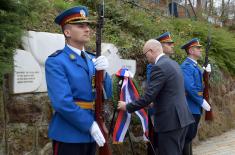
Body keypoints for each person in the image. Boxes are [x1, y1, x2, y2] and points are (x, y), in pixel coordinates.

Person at [45, 6, 112, 155]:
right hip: (70, 134)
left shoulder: (91, 59)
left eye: (87, 25)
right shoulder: (57, 61)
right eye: (80, 26)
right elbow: (62, 102)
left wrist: (105, 73)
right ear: (67, 32)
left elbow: (106, 93)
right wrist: (89, 125)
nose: (87, 29)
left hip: (92, 133)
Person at [118, 39, 194, 155]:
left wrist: (127, 106)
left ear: (151, 51)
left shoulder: (159, 67)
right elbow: (170, 92)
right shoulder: (173, 63)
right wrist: (155, 102)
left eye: (145, 54)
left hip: (170, 122)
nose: (146, 57)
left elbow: (148, 97)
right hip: (182, 118)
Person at [181, 38, 211, 155]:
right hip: (190, 107)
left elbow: (200, 85)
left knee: (189, 137)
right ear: (191, 51)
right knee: (186, 137)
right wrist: (201, 101)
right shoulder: (186, 66)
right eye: (198, 48)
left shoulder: (194, 66)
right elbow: (189, 87)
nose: (200, 50)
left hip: (194, 106)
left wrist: (206, 74)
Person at [146, 32, 175, 155]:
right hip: (159, 109)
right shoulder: (153, 66)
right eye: (168, 43)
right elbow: (153, 88)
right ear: (161, 46)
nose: (172, 45)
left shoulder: (169, 62)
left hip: (169, 109)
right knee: (158, 143)